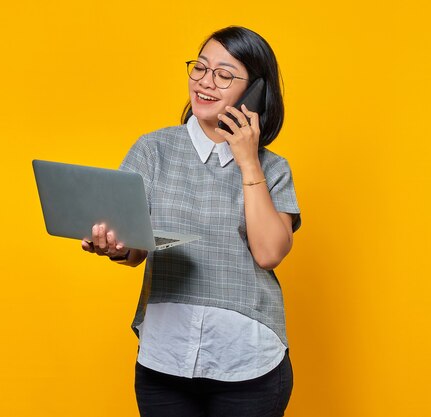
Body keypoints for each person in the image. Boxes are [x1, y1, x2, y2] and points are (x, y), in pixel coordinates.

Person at [82, 26, 300, 417]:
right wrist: (115, 247)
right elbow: (134, 250)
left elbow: (269, 253)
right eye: (199, 68)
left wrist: (248, 159)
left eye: (223, 74)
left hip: (249, 362)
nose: (204, 82)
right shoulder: (152, 151)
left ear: (256, 92)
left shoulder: (274, 168)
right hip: (165, 357)